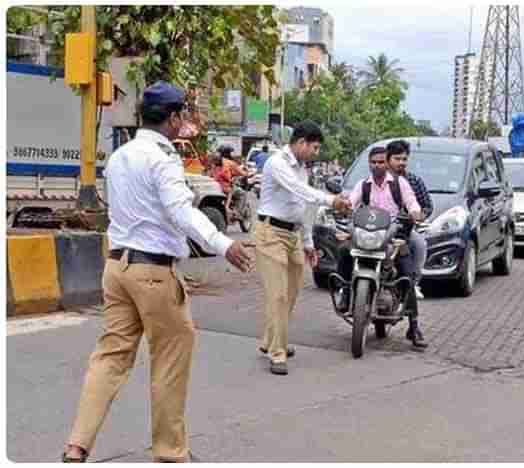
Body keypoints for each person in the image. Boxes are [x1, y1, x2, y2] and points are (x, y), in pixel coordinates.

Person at [62, 81, 254, 463]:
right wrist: (223, 244)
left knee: (110, 357)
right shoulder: (162, 159)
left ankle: (76, 446)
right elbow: (181, 212)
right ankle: (170, 454)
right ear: (171, 118)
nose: (183, 121)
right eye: (181, 114)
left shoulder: (120, 156)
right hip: (153, 273)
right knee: (169, 361)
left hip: (117, 268)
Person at [254, 121, 352, 376]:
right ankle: (278, 353)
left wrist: (308, 243)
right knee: (278, 294)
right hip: (269, 233)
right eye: (315, 147)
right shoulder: (277, 164)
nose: (316, 153)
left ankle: (271, 339)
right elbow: (300, 191)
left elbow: (304, 208)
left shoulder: (302, 169)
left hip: (292, 235)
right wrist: (333, 200)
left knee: (293, 291)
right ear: (300, 143)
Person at [336, 146, 428, 350]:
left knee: (407, 275)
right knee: (343, 250)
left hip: (392, 237)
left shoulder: (399, 184)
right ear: (369, 164)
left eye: (380, 162)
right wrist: (343, 207)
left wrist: (415, 213)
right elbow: (351, 203)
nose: (377, 165)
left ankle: (414, 327)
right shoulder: (363, 185)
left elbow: (412, 203)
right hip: (367, 235)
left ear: (387, 163)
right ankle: (345, 293)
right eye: (373, 162)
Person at [386, 139, 433, 300]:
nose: (401, 162)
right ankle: (348, 288)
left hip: (404, 232)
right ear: (388, 159)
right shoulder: (374, 181)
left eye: (404, 159)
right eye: (397, 159)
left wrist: (420, 216)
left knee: (419, 244)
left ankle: (413, 283)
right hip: (377, 231)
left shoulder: (414, 181)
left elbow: (426, 206)